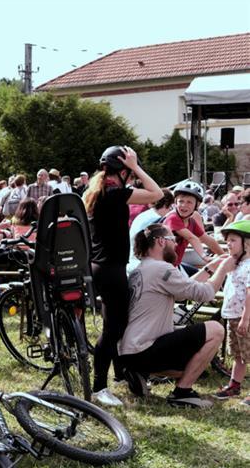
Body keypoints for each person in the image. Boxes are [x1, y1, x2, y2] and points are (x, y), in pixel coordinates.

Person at [119, 223, 232, 408]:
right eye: (173, 239)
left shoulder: (143, 268)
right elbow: (205, 294)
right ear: (161, 241)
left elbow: (182, 291)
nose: (177, 244)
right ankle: (182, 393)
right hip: (143, 349)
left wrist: (210, 268)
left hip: (131, 351)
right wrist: (223, 269)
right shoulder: (162, 269)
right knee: (215, 330)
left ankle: (139, 371)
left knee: (194, 351)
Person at [84, 145, 162, 407]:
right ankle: (99, 387)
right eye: (129, 171)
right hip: (110, 268)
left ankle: (119, 375)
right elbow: (157, 194)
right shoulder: (115, 193)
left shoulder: (97, 191)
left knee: (118, 323)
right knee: (113, 329)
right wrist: (136, 166)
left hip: (103, 267)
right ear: (123, 171)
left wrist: (131, 168)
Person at [213, 221, 250, 405]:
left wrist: (246, 318)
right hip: (233, 316)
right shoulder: (235, 264)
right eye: (227, 240)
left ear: (247, 244)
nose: (228, 244)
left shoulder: (249, 265)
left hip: (244, 318)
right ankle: (234, 385)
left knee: (248, 353)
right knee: (238, 354)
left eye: (233, 240)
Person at [165, 180, 224, 273]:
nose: (184, 205)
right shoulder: (173, 218)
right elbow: (191, 238)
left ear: (197, 205)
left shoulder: (191, 222)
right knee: (204, 276)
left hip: (174, 266)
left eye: (189, 202)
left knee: (200, 275)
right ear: (175, 202)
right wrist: (205, 257)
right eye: (181, 201)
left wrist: (224, 256)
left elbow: (208, 240)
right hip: (162, 268)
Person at [126, 188, 174, 274]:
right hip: (140, 264)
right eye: (170, 207)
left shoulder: (146, 214)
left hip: (131, 260)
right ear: (166, 204)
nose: (170, 211)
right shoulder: (155, 220)